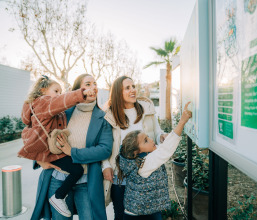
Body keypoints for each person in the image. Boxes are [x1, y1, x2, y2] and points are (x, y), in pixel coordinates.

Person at [31, 74, 113, 220]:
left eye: (95, 84)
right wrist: (39, 159)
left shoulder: (103, 118)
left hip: (86, 181)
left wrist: (72, 152)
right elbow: (39, 132)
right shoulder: (63, 111)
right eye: (87, 84)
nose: (93, 87)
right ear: (77, 90)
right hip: (58, 180)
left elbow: (104, 149)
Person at [18, 75, 96, 217]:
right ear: (43, 91)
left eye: (60, 92)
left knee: (75, 170)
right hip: (52, 153)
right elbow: (62, 101)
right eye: (56, 91)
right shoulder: (44, 102)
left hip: (52, 151)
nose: (59, 95)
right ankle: (58, 197)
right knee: (76, 170)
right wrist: (81, 93)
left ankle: (59, 197)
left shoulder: (39, 106)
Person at [102, 76, 167, 220]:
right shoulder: (109, 115)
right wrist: (105, 165)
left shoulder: (147, 108)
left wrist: (162, 137)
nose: (133, 90)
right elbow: (104, 144)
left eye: (133, 86)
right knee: (121, 215)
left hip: (148, 175)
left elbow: (157, 132)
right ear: (118, 93)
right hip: (121, 176)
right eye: (127, 88)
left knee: (153, 215)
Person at [116, 102, 192, 219]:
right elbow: (166, 149)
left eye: (148, 137)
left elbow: (162, 149)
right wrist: (182, 122)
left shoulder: (134, 160)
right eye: (145, 141)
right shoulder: (143, 164)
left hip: (140, 210)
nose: (151, 140)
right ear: (136, 152)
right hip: (141, 215)